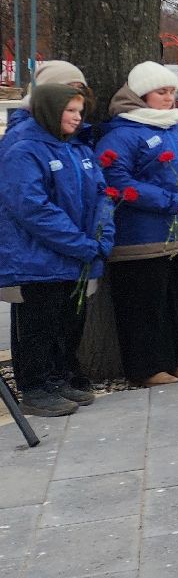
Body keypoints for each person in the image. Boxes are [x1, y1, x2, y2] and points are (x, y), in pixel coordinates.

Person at [97, 62, 178, 387]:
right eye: (160, 92)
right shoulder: (122, 134)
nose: (168, 98)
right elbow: (114, 178)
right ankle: (147, 367)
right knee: (146, 307)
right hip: (142, 238)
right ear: (140, 95)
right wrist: (163, 200)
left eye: (171, 91)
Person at [0, 83, 112, 415]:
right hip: (37, 258)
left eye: (80, 111)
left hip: (76, 254)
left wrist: (102, 237)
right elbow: (32, 207)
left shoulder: (77, 148)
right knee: (38, 324)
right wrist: (81, 244)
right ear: (48, 111)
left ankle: (58, 377)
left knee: (67, 321)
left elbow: (103, 194)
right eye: (69, 111)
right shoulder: (24, 150)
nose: (77, 117)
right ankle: (35, 387)